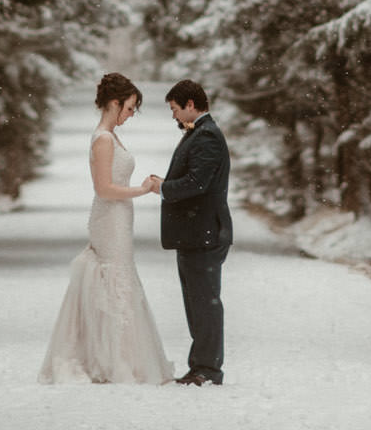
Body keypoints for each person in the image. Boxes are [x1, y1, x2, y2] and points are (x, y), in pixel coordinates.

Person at [38, 73, 174, 384]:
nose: (130, 115)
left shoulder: (111, 136)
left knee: (121, 278)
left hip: (120, 217)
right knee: (113, 278)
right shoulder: (102, 138)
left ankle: (119, 355)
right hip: (109, 217)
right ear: (114, 103)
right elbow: (104, 189)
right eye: (129, 108)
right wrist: (142, 190)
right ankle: (111, 359)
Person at [148, 79, 232, 385]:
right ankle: (201, 366)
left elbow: (199, 183)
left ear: (190, 105)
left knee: (205, 302)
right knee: (197, 302)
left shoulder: (207, 136)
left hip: (205, 232)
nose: (173, 116)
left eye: (174, 109)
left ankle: (208, 369)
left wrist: (163, 188)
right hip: (196, 233)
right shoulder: (199, 133)